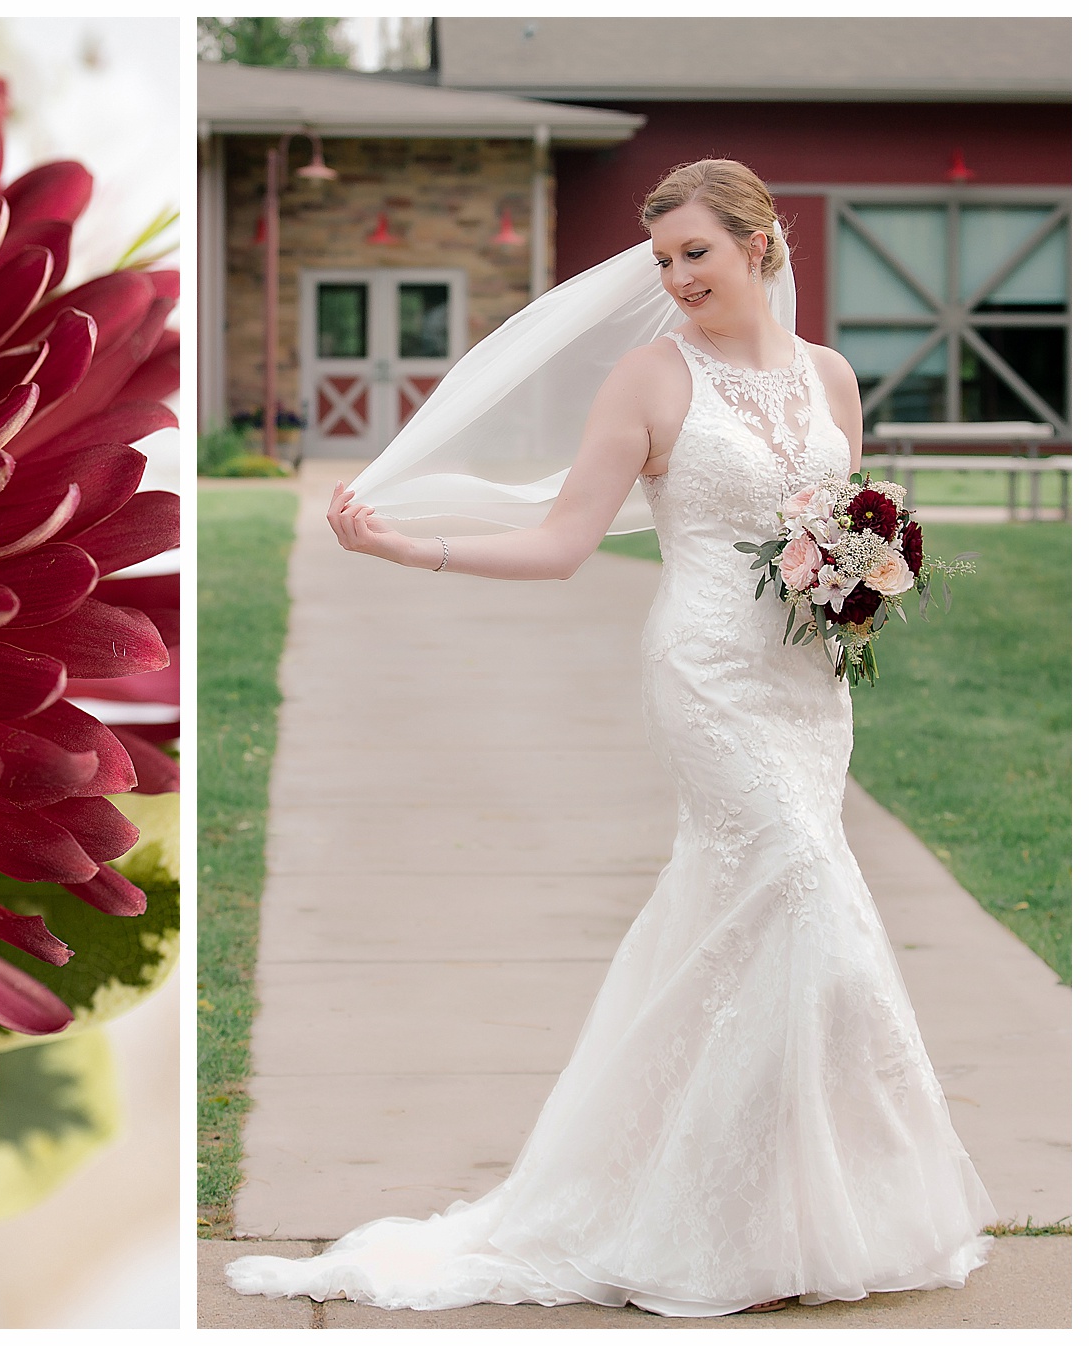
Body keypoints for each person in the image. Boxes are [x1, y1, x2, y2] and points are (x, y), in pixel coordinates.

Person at [225, 160, 995, 1317]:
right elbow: (560, 542)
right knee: (801, 891)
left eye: (697, 252)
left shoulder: (832, 376)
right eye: (665, 259)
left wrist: (862, 581)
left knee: (753, 925)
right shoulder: (648, 378)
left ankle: (775, 1206)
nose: (679, 277)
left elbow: (848, 516)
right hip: (708, 676)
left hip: (809, 685)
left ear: (762, 243)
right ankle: (699, 1209)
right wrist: (408, 549)